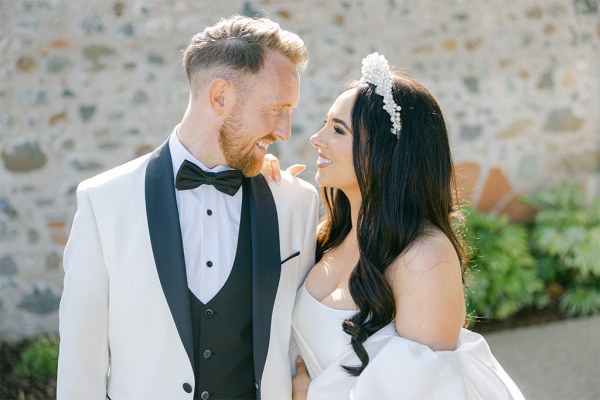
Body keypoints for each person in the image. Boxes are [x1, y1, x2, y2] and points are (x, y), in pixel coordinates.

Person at [57, 15, 319, 400]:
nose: (284, 131)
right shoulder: (104, 201)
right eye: (275, 108)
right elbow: (81, 362)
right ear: (220, 97)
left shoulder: (296, 202)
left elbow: (302, 341)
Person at [265, 53, 524, 399]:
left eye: (337, 129)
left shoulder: (424, 258)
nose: (316, 138)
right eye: (325, 124)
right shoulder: (327, 235)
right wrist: (263, 189)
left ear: (387, 150)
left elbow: (424, 390)